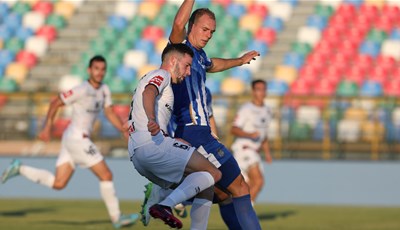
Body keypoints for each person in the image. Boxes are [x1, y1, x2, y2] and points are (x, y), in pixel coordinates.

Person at [1, 55, 139, 229]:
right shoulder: (81, 89)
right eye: (96, 69)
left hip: (71, 139)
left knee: (58, 183)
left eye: (102, 69)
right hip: (77, 139)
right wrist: (46, 127)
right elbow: (55, 103)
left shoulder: (104, 90)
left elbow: (109, 111)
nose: (99, 72)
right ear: (89, 70)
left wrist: (122, 128)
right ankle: (117, 218)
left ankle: (19, 168)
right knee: (106, 175)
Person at [169, 1, 262, 229]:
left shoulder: (199, 57)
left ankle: (175, 195)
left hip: (200, 134)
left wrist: (239, 61)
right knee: (240, 187)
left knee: (223, 194)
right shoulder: (180, 50)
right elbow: (178, 23)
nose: (209, 35)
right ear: (192, 27)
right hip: (194, 133)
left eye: (212, 31)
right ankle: (168, 197)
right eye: (204, 29)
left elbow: (213, 64)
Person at [127, 43, 222, 229]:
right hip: (152, 146)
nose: (188, 72)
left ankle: (160, 195)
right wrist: (152, 119)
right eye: (187, 66)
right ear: (173, 61)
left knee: (205, 183)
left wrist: (167, 137)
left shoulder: (152, 79)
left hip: (140, 153)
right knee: (214, 172)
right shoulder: (161, 74)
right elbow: (149, 92)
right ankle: (164, 204)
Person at [231, 79, 273, 203]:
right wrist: (249, 134)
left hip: (255, 151)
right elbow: (233, 129)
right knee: (259, 181)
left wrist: (267, 154)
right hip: (244, 148)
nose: (261, 92)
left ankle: (242, 212)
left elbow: (264, 135)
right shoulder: (246, 109)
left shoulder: (267, 110)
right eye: (258, 89)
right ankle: (247, 212)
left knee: (247, 186)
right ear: (253, 91)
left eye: (264, 89)